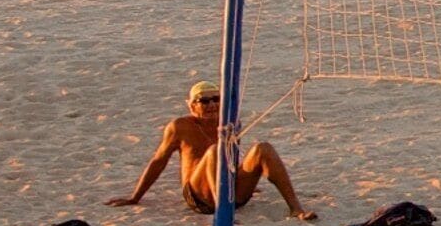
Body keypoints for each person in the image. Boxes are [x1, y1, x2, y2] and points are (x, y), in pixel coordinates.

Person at [113, 83, 311, 218]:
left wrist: (246, 180)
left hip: (231, 192)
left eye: (216, 99)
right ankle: (224, 214)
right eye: (204, 101)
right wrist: (135, 197)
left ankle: (295, 208)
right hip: (200, 197)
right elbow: (159, 161)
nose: (212, 105)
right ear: (192, 105)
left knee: (263, 148)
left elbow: (232, 159)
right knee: (215, 149)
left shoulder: (230, 121)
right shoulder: (179, 126)